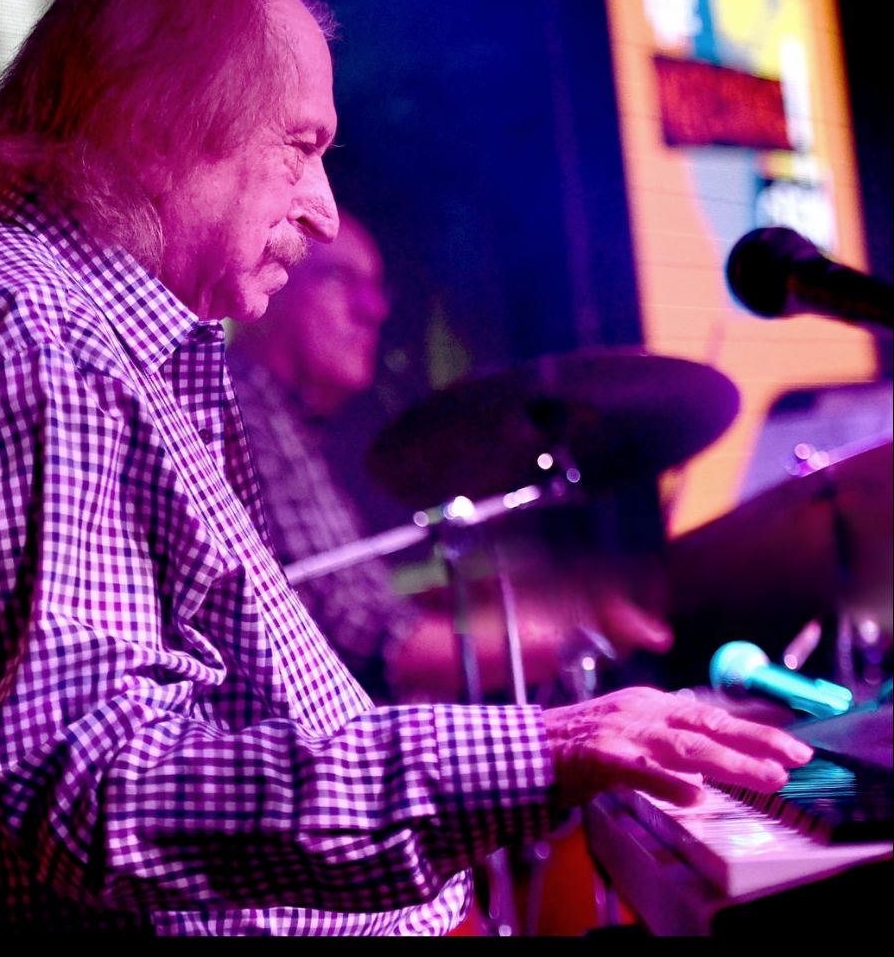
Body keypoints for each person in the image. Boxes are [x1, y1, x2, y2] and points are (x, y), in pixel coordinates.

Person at [0, 0, 814, 937]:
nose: (325, 210)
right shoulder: (34, 333)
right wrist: (541, 750)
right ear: (162, 120)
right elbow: (99, 786)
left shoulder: (72, 330)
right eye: (300, 148)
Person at [230, 209, 675, 704]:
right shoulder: (247, 408)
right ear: (269, 282)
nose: (374, 309)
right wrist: (575, 633)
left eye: (377, 287)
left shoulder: (284, 422)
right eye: (339, 278)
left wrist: (504, 604)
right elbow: (362, 639)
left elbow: (348, 612)